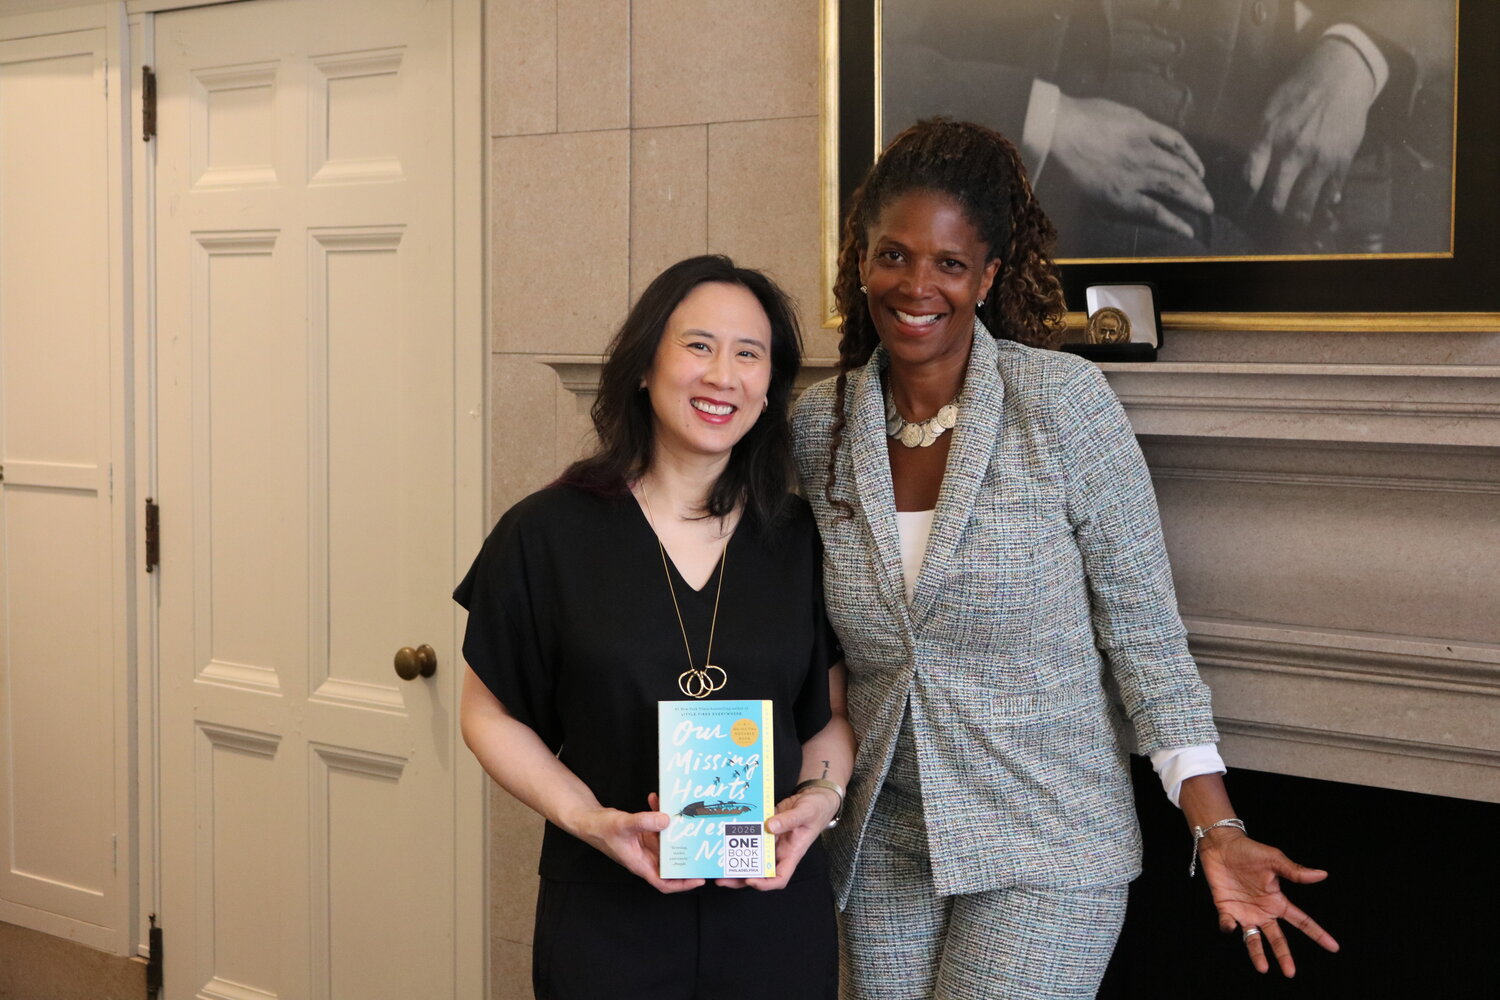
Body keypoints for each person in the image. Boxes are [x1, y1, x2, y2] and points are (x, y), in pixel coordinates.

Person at [792, 120, 1338, 998]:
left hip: (1046, 841)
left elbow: (1147, 640)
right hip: (884, 838)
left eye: (949, 264)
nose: (917, 285)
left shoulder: (1062, 405)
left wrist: (1217, 827)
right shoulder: (818, 427)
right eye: (894, 256)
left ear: (990, 276)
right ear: (861, 260)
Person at [457, 255, 853, 999]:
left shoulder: (800, 538)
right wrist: (592, 820)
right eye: (698, 346)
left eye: (749, 354)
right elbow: (487, 712)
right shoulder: (546, 532)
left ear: (769, 388)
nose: (722, 375)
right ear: (645, 364)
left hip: (773, 914)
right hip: (607, 912)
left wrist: (822, 799)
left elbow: (830, 715)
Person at [881, 0, 1444, 257]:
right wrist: (1049, 121)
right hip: (1041, 245)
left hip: (1261, 241)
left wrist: (1358, 52)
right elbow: (863, 62)